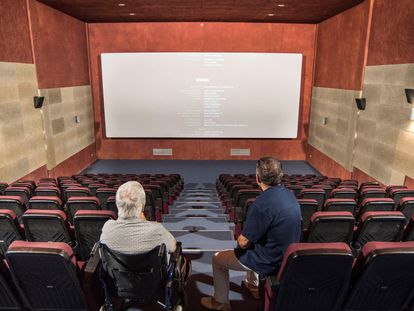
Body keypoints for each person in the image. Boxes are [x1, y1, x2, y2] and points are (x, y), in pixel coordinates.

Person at [201, 157, 301, 311]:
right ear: (281, 175)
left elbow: (243, 242)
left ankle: (220, 302)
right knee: (257, 241)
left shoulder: (261, 204)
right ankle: (253, 286)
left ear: (257, 178)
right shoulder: (290, 195)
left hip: (268, 261)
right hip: (288, 257)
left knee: (217, 259)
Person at [100, 180, 176, 255]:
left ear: (117, 204)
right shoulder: (156, 230)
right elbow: (173, 247)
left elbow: (101, 254)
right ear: (142, 206)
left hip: (114, 267)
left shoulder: (107, 227)